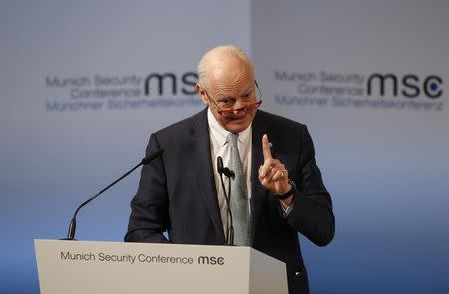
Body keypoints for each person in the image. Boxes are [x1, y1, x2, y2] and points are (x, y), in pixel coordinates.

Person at [125, 45, 334, 294]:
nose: (240, 108)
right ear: (203, 94)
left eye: (247, 95)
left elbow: (324, 230)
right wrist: (185, 266)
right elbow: (140, 231)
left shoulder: (292, 137)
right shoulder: (168, 146)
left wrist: (287, 194)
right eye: (226, 101)